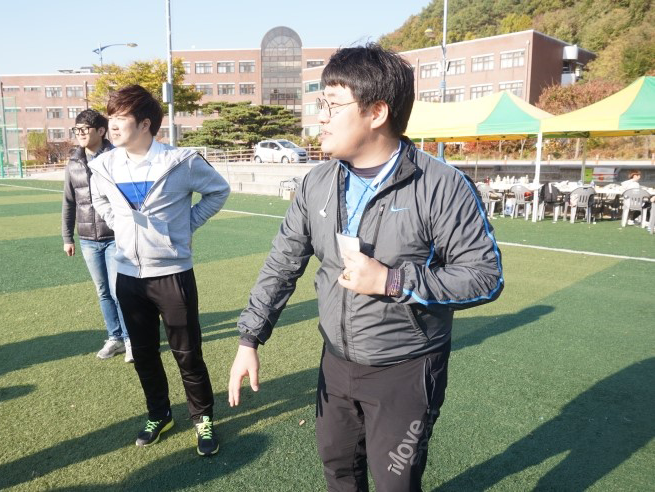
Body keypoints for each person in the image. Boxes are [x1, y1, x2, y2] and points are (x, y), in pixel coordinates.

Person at [228, 44, 504, 491]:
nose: (320, 118)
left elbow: (485, 277)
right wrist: (249, 337)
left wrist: (392, 280)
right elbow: (282, 262)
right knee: (338, 470)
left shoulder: (442, 185)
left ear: (377, 112)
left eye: (333, 106)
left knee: (396, 483)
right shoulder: (317, 182)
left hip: (406, 367)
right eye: (321, 105)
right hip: (335, 361)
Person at [89, 85, 230, 455]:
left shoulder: (180, 162)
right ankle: (159, 414)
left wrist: (183, 227)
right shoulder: (104, 165)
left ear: (145, 124)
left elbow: (218, 191)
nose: (112, 125)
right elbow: (99, 200)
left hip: (173, 274)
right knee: (144, 354)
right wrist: (120, 227)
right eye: (110, 117)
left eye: (121, 118)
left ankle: (202, 419)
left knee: (188, 353)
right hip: (128, 277)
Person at [62, 109, 131, 362]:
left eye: (85, 129)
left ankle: (130, 339)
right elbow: (69, 202)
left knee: (118, 290)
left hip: (114, 236)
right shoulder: (73, 162)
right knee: (102, 291)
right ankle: (115, 338)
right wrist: (67, 237)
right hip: (88, 239)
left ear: (101, 131)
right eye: (76, 129)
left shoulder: (117, 157)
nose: (79, 133)